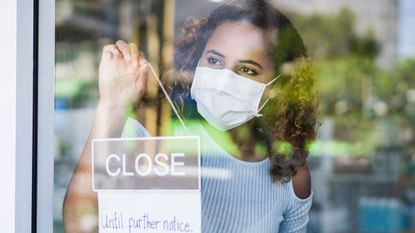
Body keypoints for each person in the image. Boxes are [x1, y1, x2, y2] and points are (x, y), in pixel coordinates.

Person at [63, 0, 318, 232]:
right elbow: (80, 225)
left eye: (247, 69)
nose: (222, 80)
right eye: (215, 61)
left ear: (279, 86)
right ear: (197, 61)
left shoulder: (289, 174)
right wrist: (111, 106)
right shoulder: (154, 137)